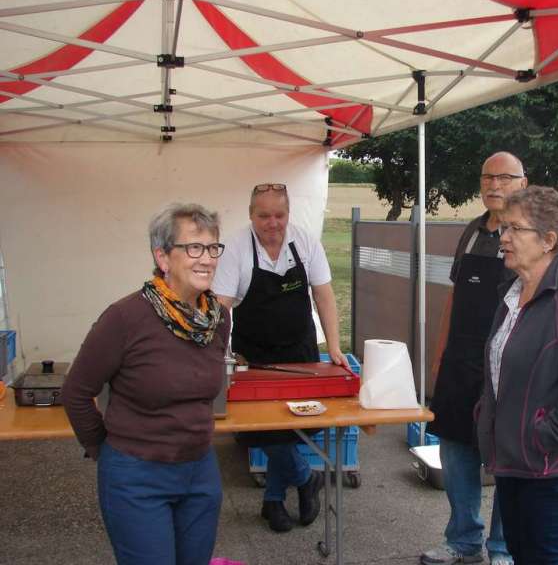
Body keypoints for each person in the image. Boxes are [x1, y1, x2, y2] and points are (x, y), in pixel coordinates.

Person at [62, 203, 230, 565]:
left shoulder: (218, 318)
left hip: (200, 472)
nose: (208, 259)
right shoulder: (125, 317)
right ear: (163, 257)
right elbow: (76, 392)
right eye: (194, 248)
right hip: (136, 477)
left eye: (213, 247)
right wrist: (102, 450)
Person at [476, 186, 558, 565]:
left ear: (548, 240)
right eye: (504, 228)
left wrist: (545, 434)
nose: (504, 238)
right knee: (518, 551)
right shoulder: (511, 292)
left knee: (542, 558)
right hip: (510, 455)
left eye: (515, 229)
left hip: (549, 466)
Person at [212, 182, 345, 533]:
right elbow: (221, 307)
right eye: (264, 215)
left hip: (300, 354)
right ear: (251, 215)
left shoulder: (305, 242)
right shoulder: (237, 248)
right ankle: (306, 479)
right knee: (261, 430)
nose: (272, 223)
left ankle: (273, 501)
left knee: (289, 428)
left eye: (279, 214)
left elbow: (325, 296)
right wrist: (217, 354)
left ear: (288, 213)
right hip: (252, 356)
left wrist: (333, 346)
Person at [422, 152, 525, 565]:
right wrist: (440, 353)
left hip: (509, 364)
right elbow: (454, 296)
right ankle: (463, 540)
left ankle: (502, 547)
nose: (494, 185)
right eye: (487, 177)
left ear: (523, 182)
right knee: (455, 449)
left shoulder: (529, 233)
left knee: (507, 457)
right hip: (461, 362)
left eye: (504, 177)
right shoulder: (471, 231)